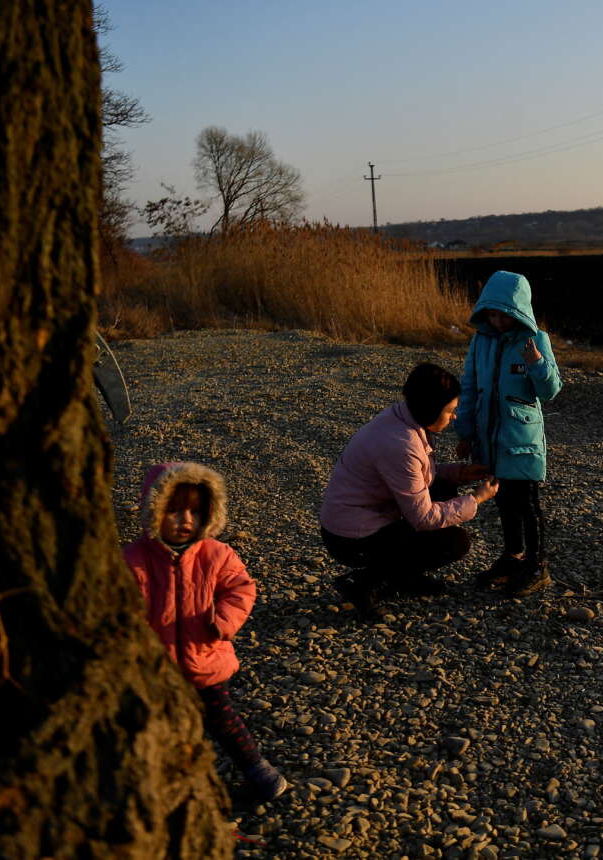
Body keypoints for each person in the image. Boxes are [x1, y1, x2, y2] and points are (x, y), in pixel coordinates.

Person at [123, 461, 288, 803]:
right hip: (156, 668)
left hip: (206, 659)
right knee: (159, 727)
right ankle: (166, 785)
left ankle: (257, 770)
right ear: (153, 509)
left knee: (224, 720)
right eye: (174, 510)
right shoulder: (134, 560)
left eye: (196, 512)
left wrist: (224, 621)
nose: (186, 521)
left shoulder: (215, 554)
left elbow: (241, 589)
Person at [320, 362, 499, 621]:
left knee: (446, 487)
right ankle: (362, 584)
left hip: (365, 514)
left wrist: (458, 473)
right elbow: (423, 518)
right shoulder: (400, 444)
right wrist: (475, 499)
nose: (454, 417)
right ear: (430, 408)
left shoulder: (402, 417)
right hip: (350, 537)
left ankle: (403, 577)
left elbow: (417, 477)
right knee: (454, 542)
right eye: (450, 411)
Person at [454, 270, 562, 596]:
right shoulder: (480, 340)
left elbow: (551, 391)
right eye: (492, 314)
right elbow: (470, 387)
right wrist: (465, 431)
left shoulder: (535, 340)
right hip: (488, 438)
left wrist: (537, 363)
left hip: (521, 440)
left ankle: (537, 564)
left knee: (527, 503)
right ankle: (513, 557)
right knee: (502, 501)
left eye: (504, 315)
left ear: (518, 311)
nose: (498, 322)